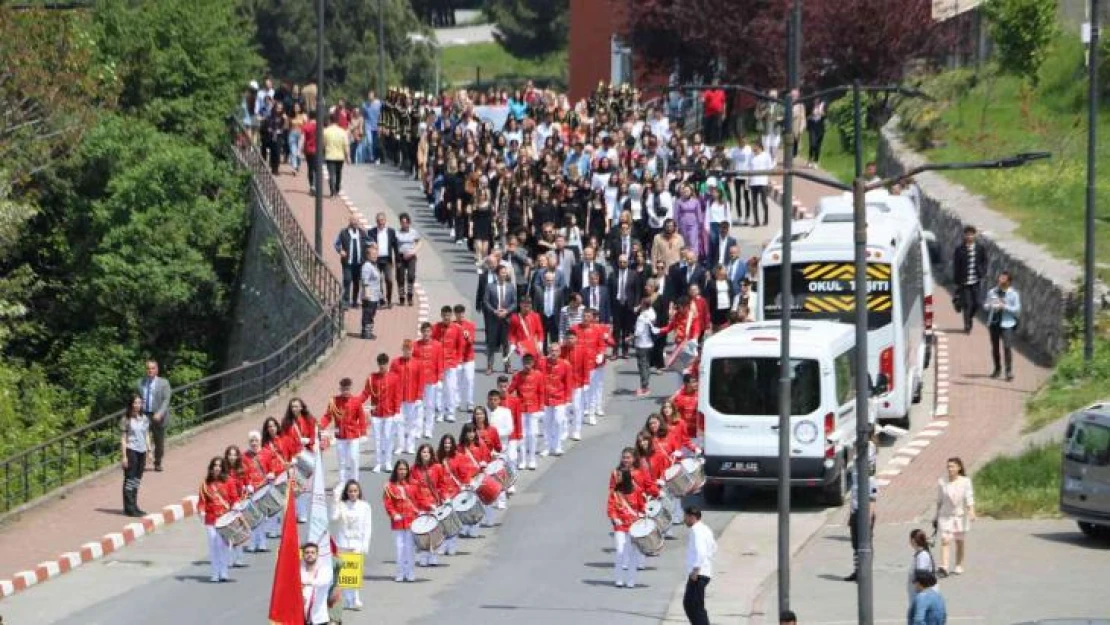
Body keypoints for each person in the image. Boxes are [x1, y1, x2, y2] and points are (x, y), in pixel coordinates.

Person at [319, 378, 370, 485]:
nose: (345, 391)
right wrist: (321, 425)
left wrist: (364, 433)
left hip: (353, 435)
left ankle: (354, 481)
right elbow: (328, 416)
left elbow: (361, 418)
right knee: (341, 461)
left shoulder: (356, 401)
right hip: (340, 435)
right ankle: (342, 482)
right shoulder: (334, 401)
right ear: (340, 389)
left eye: (347, 389)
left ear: (350, 388)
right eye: (343, 389)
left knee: (353, 458)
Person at [331, 480, 372, 610]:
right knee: (344, 572)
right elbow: (334, 518)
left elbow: (367, 526)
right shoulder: (342, 505)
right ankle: (348, 599)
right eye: (350, 491)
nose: (353, 493)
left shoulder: (365, 506)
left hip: (357, 542)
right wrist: (336, 500)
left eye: (355, 491)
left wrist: (365, 544)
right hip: (343, 542)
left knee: (355, 570)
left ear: (359, 492)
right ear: (346, 493)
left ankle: (355, 597)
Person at [607, 465, 647, 588]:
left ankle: (631, 580)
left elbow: (642, 507)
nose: (617, 478)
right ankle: (619, 579)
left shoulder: (637, 491)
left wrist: (642, 514)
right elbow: (610, 509)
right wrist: (615, 518)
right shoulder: (614, 493)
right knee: (620, 551)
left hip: (634, 527)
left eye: (619, 476)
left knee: (633, 553)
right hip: (620, 527)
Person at [935, 457, 975, 577]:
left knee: (959, 541)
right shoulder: (942, 481)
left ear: (959, 468)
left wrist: (971, 511)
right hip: (946, 516)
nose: (950, 469)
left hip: (960, 517)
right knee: (945, 540)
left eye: (952, 466)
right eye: (948, 466)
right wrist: (935, 516)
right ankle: (944, 567)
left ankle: (958, 565)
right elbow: (939, 500)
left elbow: (969, 497)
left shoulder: (965, 481)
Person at [197, 456, 234, 583]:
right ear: (211, 468)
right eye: (215, 465)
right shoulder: (205, 485)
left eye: (219, 465)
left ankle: (223, 571)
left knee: (222, 545)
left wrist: (236, 507)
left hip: (224, 519)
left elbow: (234, 498)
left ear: (223, 468)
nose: (217, 468)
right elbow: (201, 501)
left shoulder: (229, 481)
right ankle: (215, 572)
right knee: (213, 546)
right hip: (210, 520)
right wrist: (201, 511)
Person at [382, 460, 419, 582]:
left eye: (404, 469)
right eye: (400, 469)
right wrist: (393, 514)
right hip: (398, 521)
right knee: (399, 548)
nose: (402, 471)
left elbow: (419, 500)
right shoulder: (390, 486)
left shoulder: (414, 484)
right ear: (396, 471)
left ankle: (410, 572)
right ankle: (400, 572)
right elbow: (388, 504)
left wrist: (427, 508)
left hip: (411, 519)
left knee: (410, 547)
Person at [508, 353, 545, 469]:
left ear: (533, 363)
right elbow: (510, 390)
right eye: (525, 363)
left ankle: (532, 459)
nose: (527, 365)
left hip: (534, 409)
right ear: (522, 363)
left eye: (529, 363)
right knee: (522, 435)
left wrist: (541, 407)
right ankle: (522, 459)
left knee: (533, 434)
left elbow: (541, 392)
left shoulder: (538, 375)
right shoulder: (517, 376)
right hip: (521, 409)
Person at [391, 339, 426, 455]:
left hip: (412, 398)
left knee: (411, 423)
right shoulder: (395, 363)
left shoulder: (418, 363)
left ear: (412, 350)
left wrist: (419, 397)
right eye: (405, 349)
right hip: (399, 398)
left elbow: (421, 381)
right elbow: (391, 380)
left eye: (409, 349)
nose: (408, 352)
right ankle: (400, 445)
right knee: (399, 423)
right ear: (402, 350)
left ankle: (410, 445)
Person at [683, 506, 717, 625]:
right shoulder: (705, 528)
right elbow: (713, 548)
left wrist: (696, 569)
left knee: (693, 606)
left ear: (692, 517)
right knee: (693, 604)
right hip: (703, 572)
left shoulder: (696, 530)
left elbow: (701, 550)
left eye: (686, 517)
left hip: (698, 574)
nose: (684, 520)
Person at [845, 464, 878, 582]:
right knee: (855, 544)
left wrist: (868, 518)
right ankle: (857, 570)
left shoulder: (871, 481)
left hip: (865, 513)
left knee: (865, 543)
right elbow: (853, 499)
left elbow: (873, 500)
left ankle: (866, 571)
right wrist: (850, 516)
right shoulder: (856, 481)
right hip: (855, 512)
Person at [119, 395, 152, 517]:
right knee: (130, 479)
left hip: (142, 450)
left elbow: (147, 434)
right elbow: (123, 439)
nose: (138, 405)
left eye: (139, 403)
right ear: (131, 404)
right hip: (131, 450)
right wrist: (124, 456)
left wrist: (149, 450)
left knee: (137, 479)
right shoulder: (126, 419)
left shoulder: (144, 418)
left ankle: (134, 505)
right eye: (135, 403)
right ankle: (129, 508)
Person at [366, 353, 399, 472]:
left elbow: (397, 395)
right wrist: (357, 402)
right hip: (376, 413)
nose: (382, 367)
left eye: (384, 365)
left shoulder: (394, 377)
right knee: (377, 439)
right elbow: (366, 393)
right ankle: (378, 462)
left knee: (388, 437)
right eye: (380, 365)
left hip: (389, 413)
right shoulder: (372, 378)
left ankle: (388, 462)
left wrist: (397, 412)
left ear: (387, 364)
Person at [137, 359, 172, 472]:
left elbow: (166, 400)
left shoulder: (164, 383)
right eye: (148, 368)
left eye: (152, 368)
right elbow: (137, 399)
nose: (150, 371)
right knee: (141, 440)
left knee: (159, 443)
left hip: (158, 416)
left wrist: (160, 413)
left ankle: (157, 462)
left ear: (157, 370)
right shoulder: (140, 383)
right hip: (144, 415)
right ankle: (141, 463)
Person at [985, 271, 1020, 381]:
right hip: (994, 323)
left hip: (1007, 324)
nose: (1000, 281)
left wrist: (1004, 306)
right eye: (1000, 279)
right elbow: (985, 305)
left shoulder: (1013, 294)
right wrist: (991, 305)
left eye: (1003, 279)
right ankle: (997, 369)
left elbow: (1017, 309)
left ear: (1008, 282)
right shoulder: (992, 292)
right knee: (995, 347)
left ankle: (1008, 371)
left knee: (1007, 347)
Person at [953, 225, 989, 333]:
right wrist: (957, 281)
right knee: (967, 304)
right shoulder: (960, 249)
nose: (969, 236)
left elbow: (985, 261)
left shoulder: (980, 248)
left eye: (971, 234)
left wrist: (982, 272)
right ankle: (967, 325)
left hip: (975, 281)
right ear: (964, 235)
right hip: (964, 282)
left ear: (975, 235)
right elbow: (956, 265)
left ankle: (970, 317)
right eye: (967, 234)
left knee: (977, 303)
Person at [413, 322, 446, 438]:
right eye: (424, 331)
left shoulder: (437, 345)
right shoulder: (415, 345)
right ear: (421, 332)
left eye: (428, 331)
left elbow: (440, 361)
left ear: (431, 332)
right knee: (418, 406)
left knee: (430, 406)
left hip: (431, 380)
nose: (426, 334)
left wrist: (440, 376)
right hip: (418, 381)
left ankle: (428, 429)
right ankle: (418, 429)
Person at [483, 265, 517, 374]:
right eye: (502, 272)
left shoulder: (511, 287)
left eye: (505, 273)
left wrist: (506, 311)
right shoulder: (490, 286)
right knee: (491, 343)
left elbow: (514, 303)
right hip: (493, 319)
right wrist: (494, 311)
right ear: (497, 274)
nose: (504, 274)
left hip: (506, 319)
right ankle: (490, 366)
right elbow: (486, 302)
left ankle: (507, 366)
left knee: (506, 343)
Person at [541, 344, 572, 456]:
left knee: (559, 422)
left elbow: (568, 382)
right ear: (548, 351)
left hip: (560, 398)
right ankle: (547, 446)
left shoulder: (565, 364)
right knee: (546, 423)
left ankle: (558, 446)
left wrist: (568, 399)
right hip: (546, 398)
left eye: (556, 351)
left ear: (560, 352)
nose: (554, 353)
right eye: (552, 350)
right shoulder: (542, 363)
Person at [609, 253, 642, 357]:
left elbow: (637, 291)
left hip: (629, 305)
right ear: (618, 263)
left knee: (627, 329)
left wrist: (637, 305)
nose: (622, 264)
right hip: (617, 305)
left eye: (624, 262)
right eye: (620, 262)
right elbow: (610, 292)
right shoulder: (612, 274)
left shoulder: (634, 274)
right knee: (616, 330)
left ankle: (625, 351)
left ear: (628, 262)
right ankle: (614, 351)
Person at [433, 306, 462, 423]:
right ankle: (440, 413)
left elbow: (460, 345)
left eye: (448, 315)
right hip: (438, 364)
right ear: (441, 315)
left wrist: (458, 360)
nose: (446, 317)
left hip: (451, 363)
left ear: (451, 316)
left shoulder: (457, 328)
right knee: (439, 389)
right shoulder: (435, 328)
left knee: (450, 388)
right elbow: (433, 344)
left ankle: (450, 413)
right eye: (444, 315)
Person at [367, 213, 399, 308]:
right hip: (375, 260)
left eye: (382, 220)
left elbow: (395, 246)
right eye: (378, 221)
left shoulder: (391, 231)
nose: (380, 222)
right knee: (378, 280)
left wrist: (397, 259)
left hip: (387, 260)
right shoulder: (371, 232)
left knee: (389, 280)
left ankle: (389, 299)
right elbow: (367, 245)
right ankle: (381, 300)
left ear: (385, 221)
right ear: (376, 222)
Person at [334, 214, 366, 308]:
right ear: (350, 221)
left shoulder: (362, 232)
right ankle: (345, 301)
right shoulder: (343, 232)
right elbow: (336, 243)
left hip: (359, 263)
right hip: (348, 262)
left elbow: (368, 242)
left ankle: (355, 301)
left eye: (357, 221)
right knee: (347, 280)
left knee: (357, 282)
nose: (355, 223)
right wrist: (340, 250)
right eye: (354, 221)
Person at [300, 542, 334, 624]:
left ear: (317, 554)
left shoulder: (325, 570)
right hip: (301, 617)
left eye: (312, 552)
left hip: (319, 618)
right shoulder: (299, 570)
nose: (309, 555)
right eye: (307, 552)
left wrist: (305, 582)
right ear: (303, 555)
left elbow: (322, 581)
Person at [454, 305, 478, 411]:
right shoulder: (452, 326)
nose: (460, 315)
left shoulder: (470, 325)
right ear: (455, 314)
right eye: (458, 313)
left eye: (462, 313)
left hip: (469, 358)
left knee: (469, 380)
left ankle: (470, 403)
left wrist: (468, 337)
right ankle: (456, 402)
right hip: (456, 359)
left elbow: (472, 342)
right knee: (457, 382)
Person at [633, 297, 657, 397]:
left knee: (642, 366)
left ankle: (644, 387)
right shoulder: (652, 313)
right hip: (650, 343)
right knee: (646, 365)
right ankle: (645, 385)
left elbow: (638, 332)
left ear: (643, 305)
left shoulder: (642, 317)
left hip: (641, 344)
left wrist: (629, 338)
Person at [323, 112, 350, 197]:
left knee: (331, 174)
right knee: (338, 173)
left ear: (330, 121)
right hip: (340, 156)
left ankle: (332, 191)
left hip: (330, 156)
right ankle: (337, 188)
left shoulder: (326, 131)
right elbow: (346, 145)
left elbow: (323, 144)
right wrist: (348, 156)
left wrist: (324, 151)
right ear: (337, 121)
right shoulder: (342, 132)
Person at [359, 242, 382, 338]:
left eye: (376, 254)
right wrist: (367, 293)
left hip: (375, 295)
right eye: (373, 255)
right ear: (368, 255)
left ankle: (369, 331)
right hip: (369, 295)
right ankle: (365, 333)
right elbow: (365, 280)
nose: (375, 256)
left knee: (372, 313)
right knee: (367, 313)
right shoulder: (367, 266)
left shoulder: (373, 265)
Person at [908, 528, 937, 603]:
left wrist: (919, 596)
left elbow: (921, 577)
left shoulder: (922, 556)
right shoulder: (919, 554)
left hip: (923, 595)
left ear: (913, 541)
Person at [748, 142, 773, 226]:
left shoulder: (766, 156)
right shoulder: (751, 156)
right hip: (753, 182)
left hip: (763, 182)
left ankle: (765, 219)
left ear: (759, 147)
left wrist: (769, 181)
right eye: (753, 148)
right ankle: (756, 221)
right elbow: (749, 169)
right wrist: (748, 181)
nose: (754, 150)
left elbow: (769, 168)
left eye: (755, 148)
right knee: (754, 203)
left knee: (764, 202)